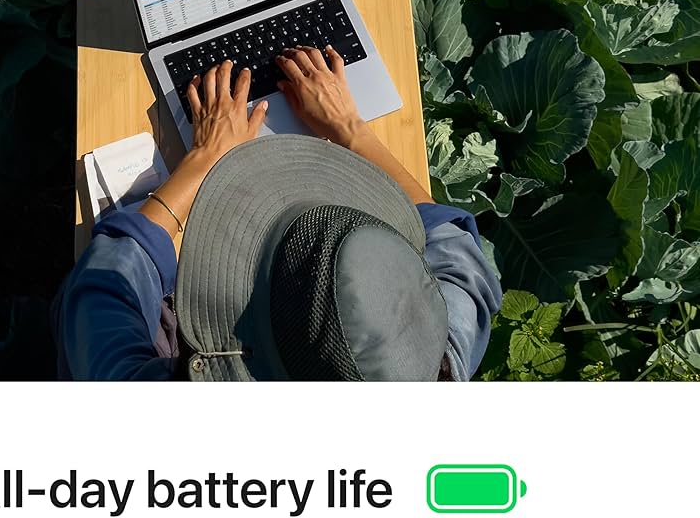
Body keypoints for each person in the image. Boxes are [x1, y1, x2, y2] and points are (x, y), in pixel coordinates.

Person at [54, 45, 502, 381]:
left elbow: (101, 291)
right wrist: (348, 127)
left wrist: (204, 161)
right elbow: (459, 253)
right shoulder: (433, 369)